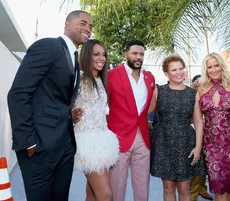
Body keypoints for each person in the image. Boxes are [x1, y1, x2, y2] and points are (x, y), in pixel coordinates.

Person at [7, 10, 92, 201]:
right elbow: (18, 94)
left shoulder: (74, 59)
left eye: (90, 26)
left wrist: (70, 116)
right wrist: (29, 141)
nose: (88, 28)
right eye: (83, 23)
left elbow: (54, 99)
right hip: (40, 148)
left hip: (65, 147)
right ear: (67, 24)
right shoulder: (48, 46)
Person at [149, 55, 206, 201]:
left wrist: (198, 147)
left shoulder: (193, 93)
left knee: (184, 188)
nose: (179, 72)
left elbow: (199, 121)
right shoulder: (158, 91)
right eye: (174, 69)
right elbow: (144, 112)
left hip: (185, 143)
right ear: (167, 73)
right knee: (168, 187)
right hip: (163, 142)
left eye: (181, 68)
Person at [107, 40, 155, 201]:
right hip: (118, 138)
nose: (138, 57)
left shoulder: (149, 78)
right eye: (135, 53)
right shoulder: (111, 75)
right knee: (117, 186)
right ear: (125, 54)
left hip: (143, 138)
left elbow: (151, 104)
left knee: (143, 185)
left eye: (141, 54)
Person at [72, 39, 119, 201]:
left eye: (104, 54)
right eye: (96, 54)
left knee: (92, 193)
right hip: (86, 143)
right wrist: (70, 115)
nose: (102, 58)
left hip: (102, 139)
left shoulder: (100, 79)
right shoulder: (79, 79)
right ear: (86, 56)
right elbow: (62, 102)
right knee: (105, 194)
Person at [198, 53, 230, 201]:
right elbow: (197, 120)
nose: (213, 69)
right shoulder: (200, 89)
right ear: (205, 70)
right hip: (211, 145)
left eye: (216, 65)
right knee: (219, 189)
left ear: (222, 66)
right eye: (209, 67)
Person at [190, 74, 213, 201]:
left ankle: (202, 189)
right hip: (195, 137)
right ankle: (193, 194)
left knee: (205, 167)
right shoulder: (192, 97)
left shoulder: (212, 95)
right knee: (196, 168)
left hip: (211, 137)